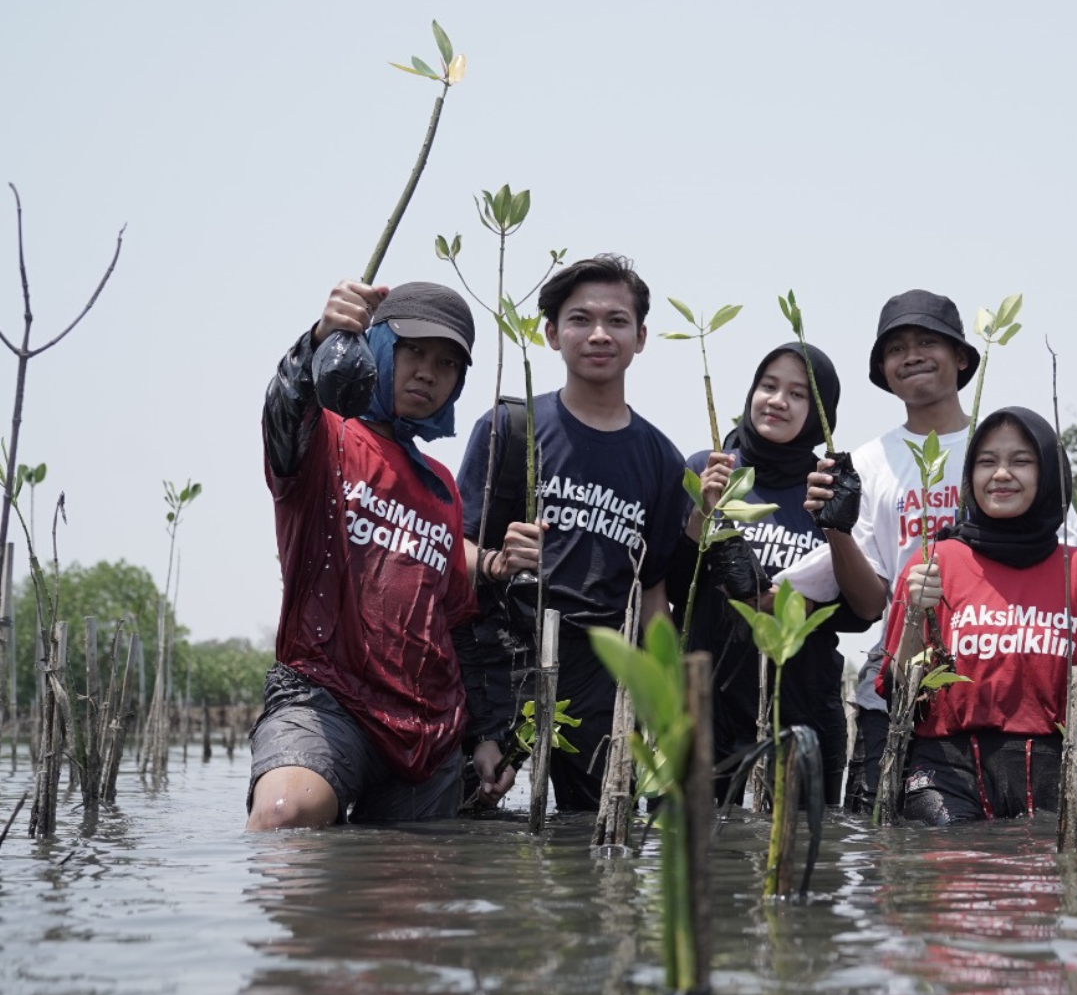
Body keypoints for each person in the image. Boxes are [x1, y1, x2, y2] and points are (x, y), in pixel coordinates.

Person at [249, 278, 494, 829]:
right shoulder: (326, 438)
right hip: (325, 699)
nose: (427, 373)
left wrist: (484, 735)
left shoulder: (443, 487)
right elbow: (285, 409)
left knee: (413, 876)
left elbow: (456, 624)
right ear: (378, 346)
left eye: (447, 364)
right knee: (286, 815)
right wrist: (319, 341)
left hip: (429, 730)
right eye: (413, 352)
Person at [454, 254, 687, 812]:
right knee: (469, 816)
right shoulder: (509, 428)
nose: (599, 334)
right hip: (506, 656)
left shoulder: (662, 459)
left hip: (602, 673)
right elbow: (452, 550)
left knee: (593, 831)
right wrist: (496, 562)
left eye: (617, 321)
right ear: (552, 334)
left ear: (641, 338)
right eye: (581, 319)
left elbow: (653, 591)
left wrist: (665, 701)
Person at [777, 289, 976, 811]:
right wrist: (834, 529)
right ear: (884, 371)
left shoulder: (999, 450)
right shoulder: (866, 462)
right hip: (895, 669)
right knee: (878, 830)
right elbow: (868, 604)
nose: (911, 356)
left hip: (984, 669)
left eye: (927, 342)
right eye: (896, 349)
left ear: (960, 356)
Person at [879, 407, 1077, 824]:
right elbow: (900, 701)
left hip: (1051, 772)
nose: (1002, 474)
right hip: (945, 769)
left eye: (1021, 461)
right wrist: (915, 618)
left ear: (1049, 475)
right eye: (987, 461)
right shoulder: (932, 563)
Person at [674, 342, 864, 803]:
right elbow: (676, 584)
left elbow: (863, 612)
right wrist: (704, 513)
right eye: (769, 386)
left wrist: (800, 603)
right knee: (693, 842)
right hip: (709, 703)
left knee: (800, 847)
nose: (778, 401)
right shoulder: (710, 469)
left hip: (801, 705)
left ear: (820, 413)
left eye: (798, 394)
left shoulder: (829, 485)